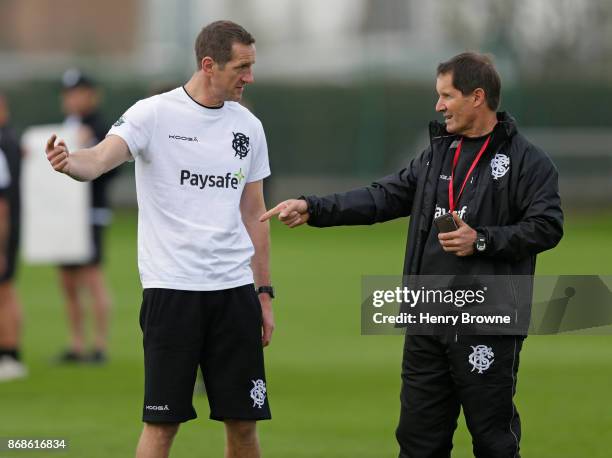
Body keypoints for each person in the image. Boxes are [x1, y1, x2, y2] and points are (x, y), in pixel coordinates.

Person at [261, 52, 563, 457]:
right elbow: (382, 197)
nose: (438, 106)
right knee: (418, 444)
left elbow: (547, 225)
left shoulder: (528, 161)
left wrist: (484, 240)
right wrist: (313, 207)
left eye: (446, 96)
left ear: (477, 97)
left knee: (494, 442)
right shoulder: (437, 154)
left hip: (488, 320)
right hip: (426, 319)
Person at [46, 20, 274, 458]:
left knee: (244, 426)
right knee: (162, 425)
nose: (249, 77)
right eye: (241, 67)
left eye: (252, 66)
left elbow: (254, 214)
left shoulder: (249, 126)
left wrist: (263, 294)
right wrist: (69, 162)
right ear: (209, 65)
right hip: (173, 293)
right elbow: (99, 158)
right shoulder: (153, 113)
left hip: (234, 294)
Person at [57, 69, 117, 363]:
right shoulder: (64, 127)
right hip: (65, 215)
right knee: (67, 279)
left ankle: (99, 344)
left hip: (91, 212)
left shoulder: (103, 127)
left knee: (92, 277)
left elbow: (112, 167)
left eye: (78, 92)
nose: (72, 99)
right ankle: (76, 342)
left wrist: (89, 144)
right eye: (68, 94)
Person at [0, 93, 27, 382]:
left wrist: (1, 247)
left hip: (4, 229)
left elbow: (2, 204)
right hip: (9, 226)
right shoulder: (11, 139)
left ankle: (10, 354)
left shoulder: (4, 141)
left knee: (4, 292)